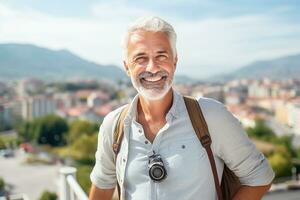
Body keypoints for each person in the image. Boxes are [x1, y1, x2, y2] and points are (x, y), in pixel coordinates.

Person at [89, 16, 274, 200]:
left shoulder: (210, 116)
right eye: (141, 58)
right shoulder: (113, 126)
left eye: (161, 56)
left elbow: (259, 177)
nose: (152, 68)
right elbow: (102, 187)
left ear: (175, 61)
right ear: (127, 67)